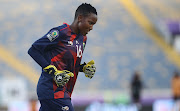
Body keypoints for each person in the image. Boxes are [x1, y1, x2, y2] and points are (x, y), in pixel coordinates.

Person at [28, 3, 97, 111]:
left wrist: (82, 68)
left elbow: (67, 64)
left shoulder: (83, 39)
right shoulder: (60, 32)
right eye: (90, 23)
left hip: (65, 91)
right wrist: (53, 71)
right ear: (80, 18)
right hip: (51, 89)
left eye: (93, 24)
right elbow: (33, 50)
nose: (91, 27)